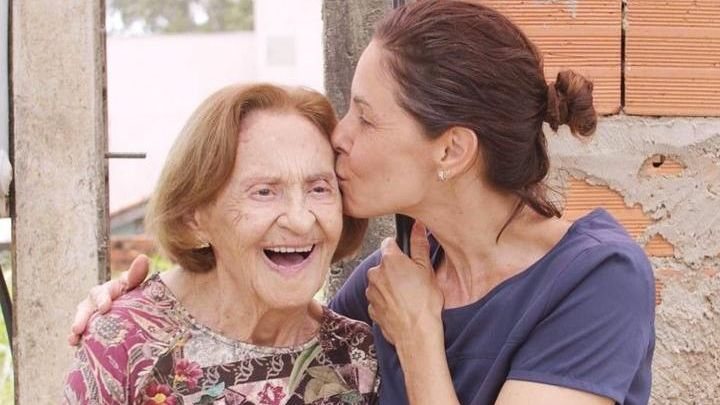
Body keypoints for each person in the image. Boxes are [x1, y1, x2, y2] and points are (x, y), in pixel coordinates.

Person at [69, 2, 655, 404]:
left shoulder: (596, 279)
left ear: (450, 150)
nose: (339, 136)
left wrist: (422, 339)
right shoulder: (390, 279)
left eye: (365, 116)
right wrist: (147, 307)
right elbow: (272, 332)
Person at [64, 84, 379, 404]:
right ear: (194, 215)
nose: (300, 220)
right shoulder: (124, 342)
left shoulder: (358, 359)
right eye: (265, 192)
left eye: (319, 189)